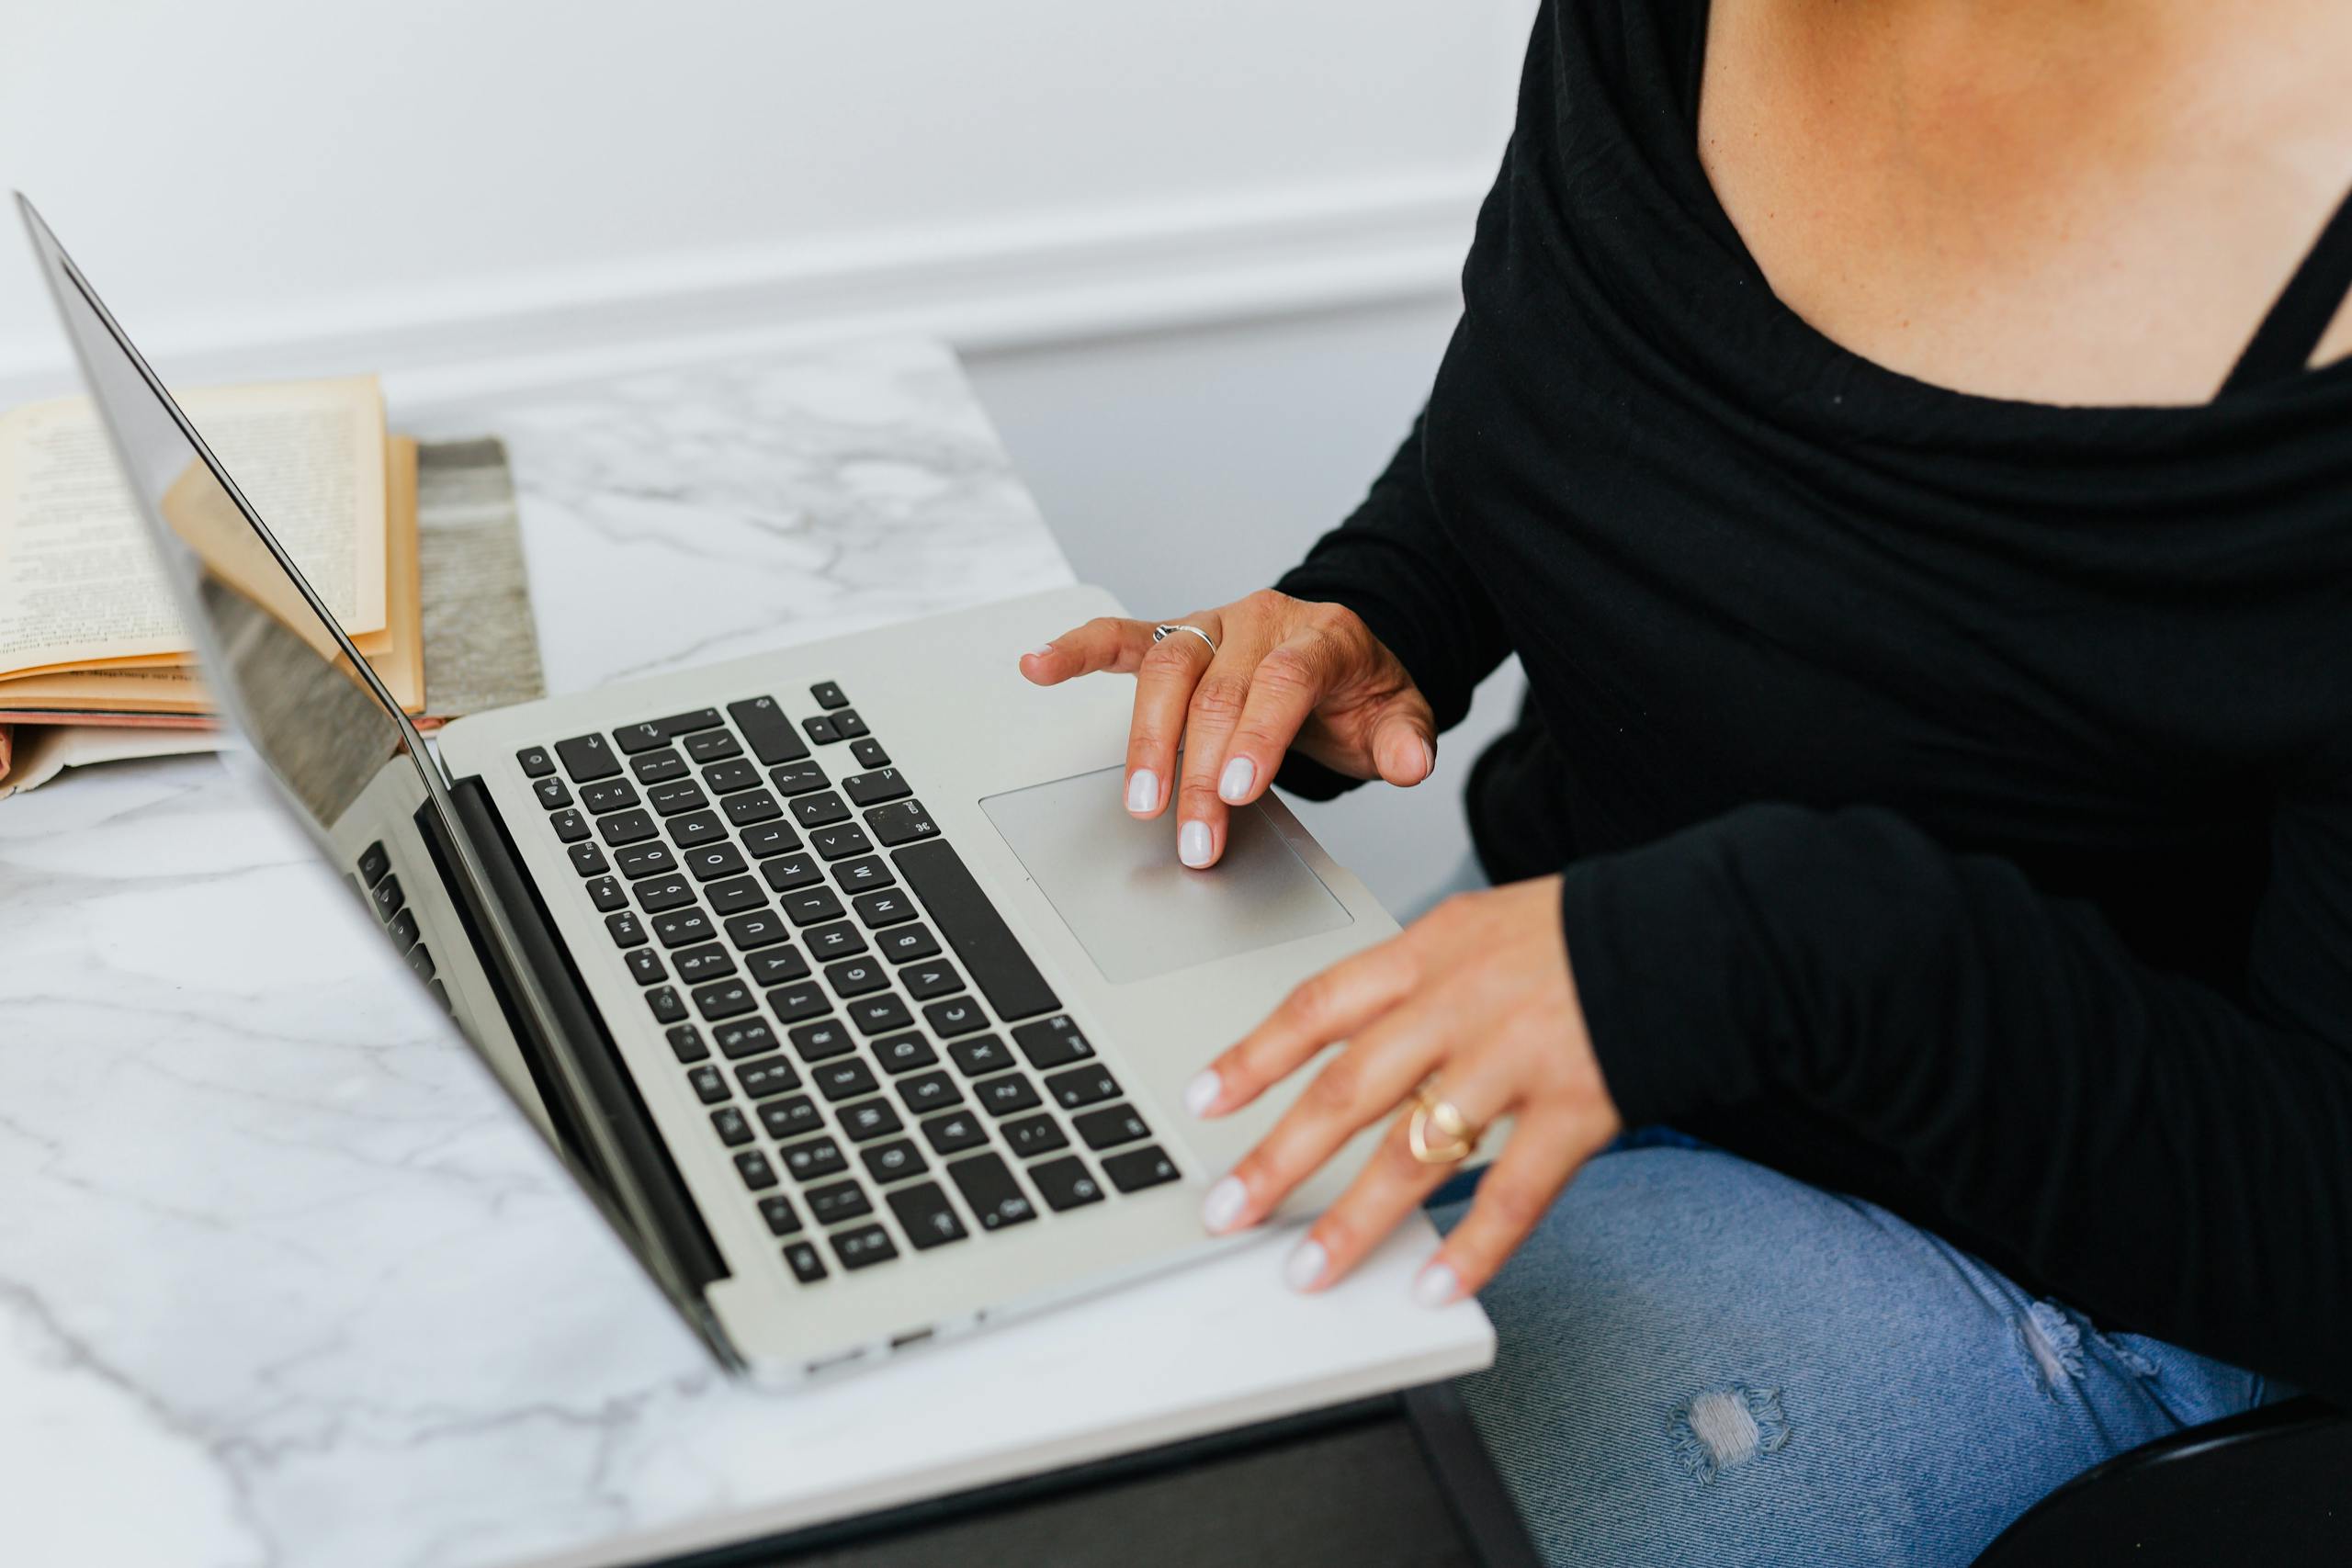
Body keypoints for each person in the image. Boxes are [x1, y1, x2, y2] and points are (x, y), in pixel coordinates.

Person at [1023, 2, 2352, 1562]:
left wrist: (1764, 950)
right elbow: (1593, 400)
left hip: (2046, 1251)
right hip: (1555, 981)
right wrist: (1377, 608)